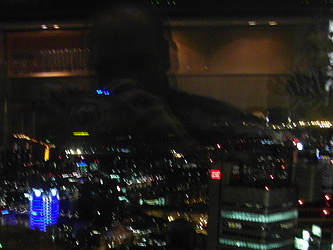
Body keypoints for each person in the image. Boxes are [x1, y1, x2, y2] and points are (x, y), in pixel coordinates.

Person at [42, 4, 263, 148]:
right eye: (106, 68)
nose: (122, 80)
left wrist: (177, 142)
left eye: (137, 63)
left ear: (165, 57)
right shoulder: (90, 121)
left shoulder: (220, 121)